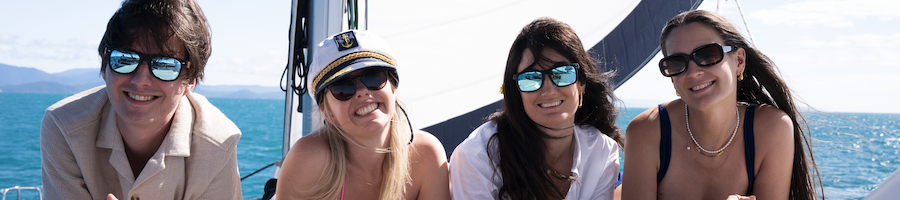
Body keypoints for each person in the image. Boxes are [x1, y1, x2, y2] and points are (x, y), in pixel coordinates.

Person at [39, 0, 242, 199]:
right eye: (125, 59)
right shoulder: (64, 126)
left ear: (191, 81)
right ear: (104, 66)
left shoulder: (218, 144)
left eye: (165, 65)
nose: (141, 80)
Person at [621, 10, 822, 200]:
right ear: (671, 78)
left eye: (707, 55)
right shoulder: (647, 131)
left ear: (739, 61)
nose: (692, 72)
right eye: (676, 63)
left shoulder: (771, 128)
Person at [449, 17, 624, 200]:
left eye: (562, 73)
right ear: (517, 91)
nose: (548, 90)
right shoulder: (478, 155)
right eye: (531, 78)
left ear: (581, 83)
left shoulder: (601, 151)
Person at [276, 30, 450, 200]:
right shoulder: (308, 159)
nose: (362, 91)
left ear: (392, 88)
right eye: (343, 88)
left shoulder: (426, 156)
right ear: (327, 111)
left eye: (374, 77)